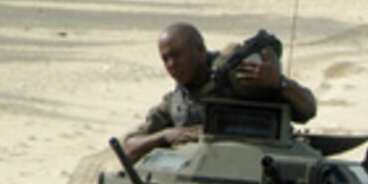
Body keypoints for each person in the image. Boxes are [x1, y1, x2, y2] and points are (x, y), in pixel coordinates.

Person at [124, 24, 316, 163]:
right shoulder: (177, 102)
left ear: (200, 50)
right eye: (165, 59)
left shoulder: (241, 77)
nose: (171, 65)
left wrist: (279, 82)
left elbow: (308, 109)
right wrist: (164, 136)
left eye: (176, 55)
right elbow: (129, 148)